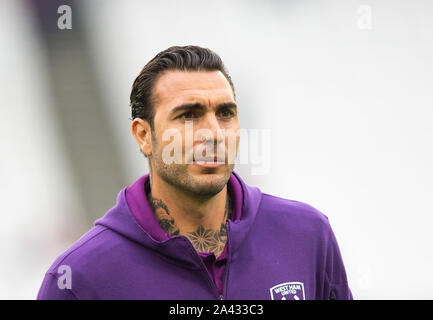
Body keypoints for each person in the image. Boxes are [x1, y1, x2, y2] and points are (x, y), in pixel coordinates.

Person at [37, 45, 352, 300]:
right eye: (189, 115)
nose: (213, 133)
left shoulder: (307, 236)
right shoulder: (79, 278)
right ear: (144, 136)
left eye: (225, 113)